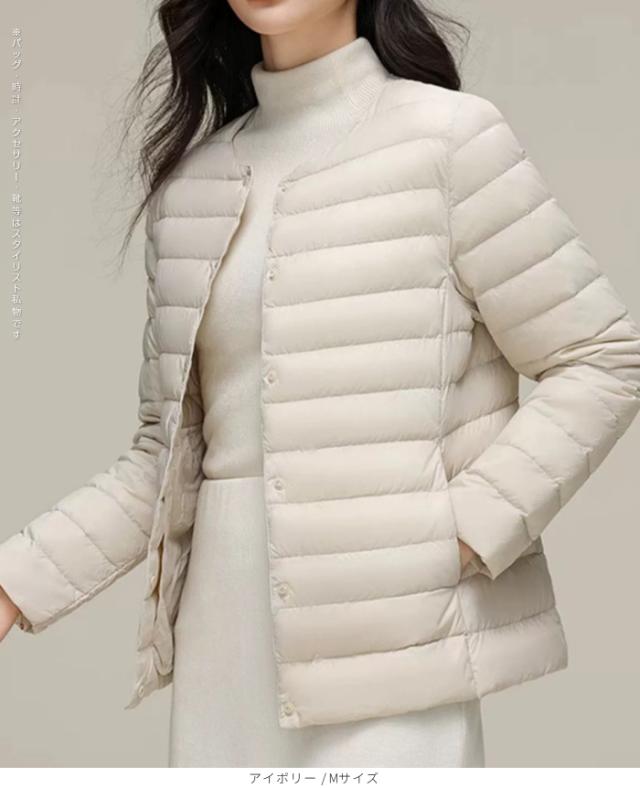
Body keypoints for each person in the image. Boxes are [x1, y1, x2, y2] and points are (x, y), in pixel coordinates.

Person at [2, 0, 640, 769]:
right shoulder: (192, 189)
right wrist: (13, 584)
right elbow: (161, 467)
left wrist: (462, 533)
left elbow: (601, 357)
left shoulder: (446, 140)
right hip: (222, 652)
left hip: (393, 648)